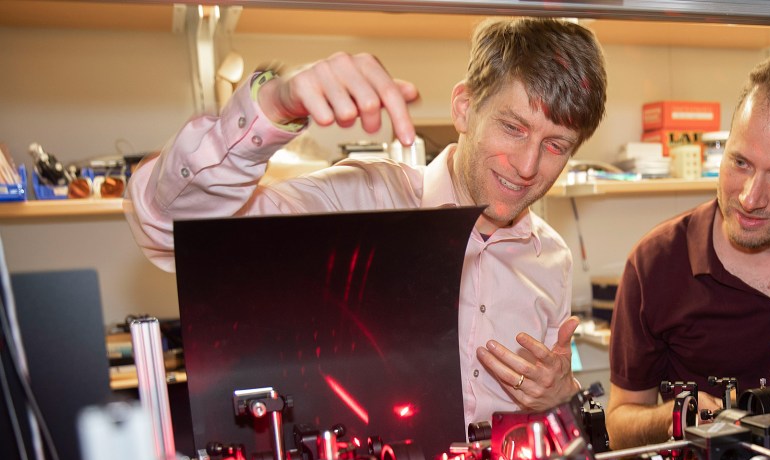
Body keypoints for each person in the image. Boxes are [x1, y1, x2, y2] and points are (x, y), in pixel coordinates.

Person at [125, 17, 607, 427]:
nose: (526, 165)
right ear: (464, 108)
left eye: (555, 145)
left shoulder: (552, 259)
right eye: (513, 127)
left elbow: (550, 433)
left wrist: (559, 398)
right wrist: (273, 109)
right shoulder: (358, 202)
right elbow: (170, 231)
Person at [606, 51, 770, 450]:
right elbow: (619, 421)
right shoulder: (656, 264)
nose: (750, 198)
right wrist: (675, 416)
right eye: (740, 163)